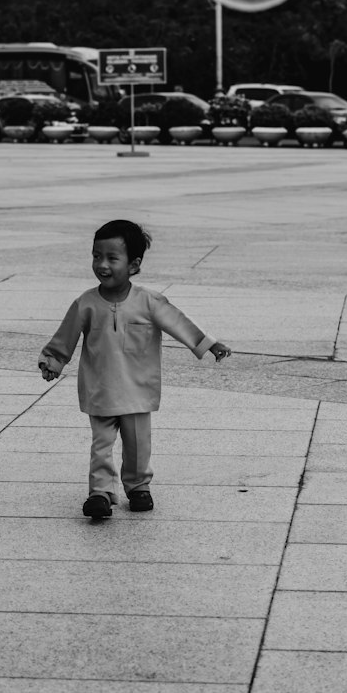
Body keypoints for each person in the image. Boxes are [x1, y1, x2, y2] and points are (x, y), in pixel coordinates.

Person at [38, 219, 232, 521]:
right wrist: (52, 360)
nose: (102, 265)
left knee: (138, 445)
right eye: (96, 256)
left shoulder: (149, 301)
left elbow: (178, 322)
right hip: (100, 389)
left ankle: (139, 486)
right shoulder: (86, 303)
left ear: (134, 264)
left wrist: (207, 344)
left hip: (138, 390)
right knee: (101, 445)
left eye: (112, 258)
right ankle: (100, 493)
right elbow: (66, 336)